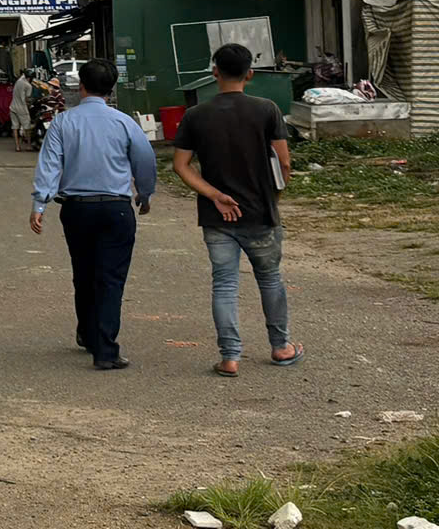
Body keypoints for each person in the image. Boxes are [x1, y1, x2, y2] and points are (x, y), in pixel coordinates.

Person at [171, 42, 297, 376]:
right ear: (250, 74)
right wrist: (274, 197)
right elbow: (284, 163)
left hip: (217, 217)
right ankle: (281, 347)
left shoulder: (195, 115)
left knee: (224, 285)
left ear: (215, 73)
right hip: (260, 213)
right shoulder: (267, 110)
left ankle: (230, 357)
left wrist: (214, 195)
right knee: (269, 279)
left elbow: (181, 166)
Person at [29, 57, 157, 370]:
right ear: (111, 89)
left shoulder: (63, 122)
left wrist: (40, 203)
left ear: (81, 86)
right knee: (111, 278)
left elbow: (50, 164)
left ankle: (88, 334)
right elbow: (145, 160)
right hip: (116, 209)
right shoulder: (125, 122)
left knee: (84, 272)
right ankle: (106, 350)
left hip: (77, 210)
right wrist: (144, 194)